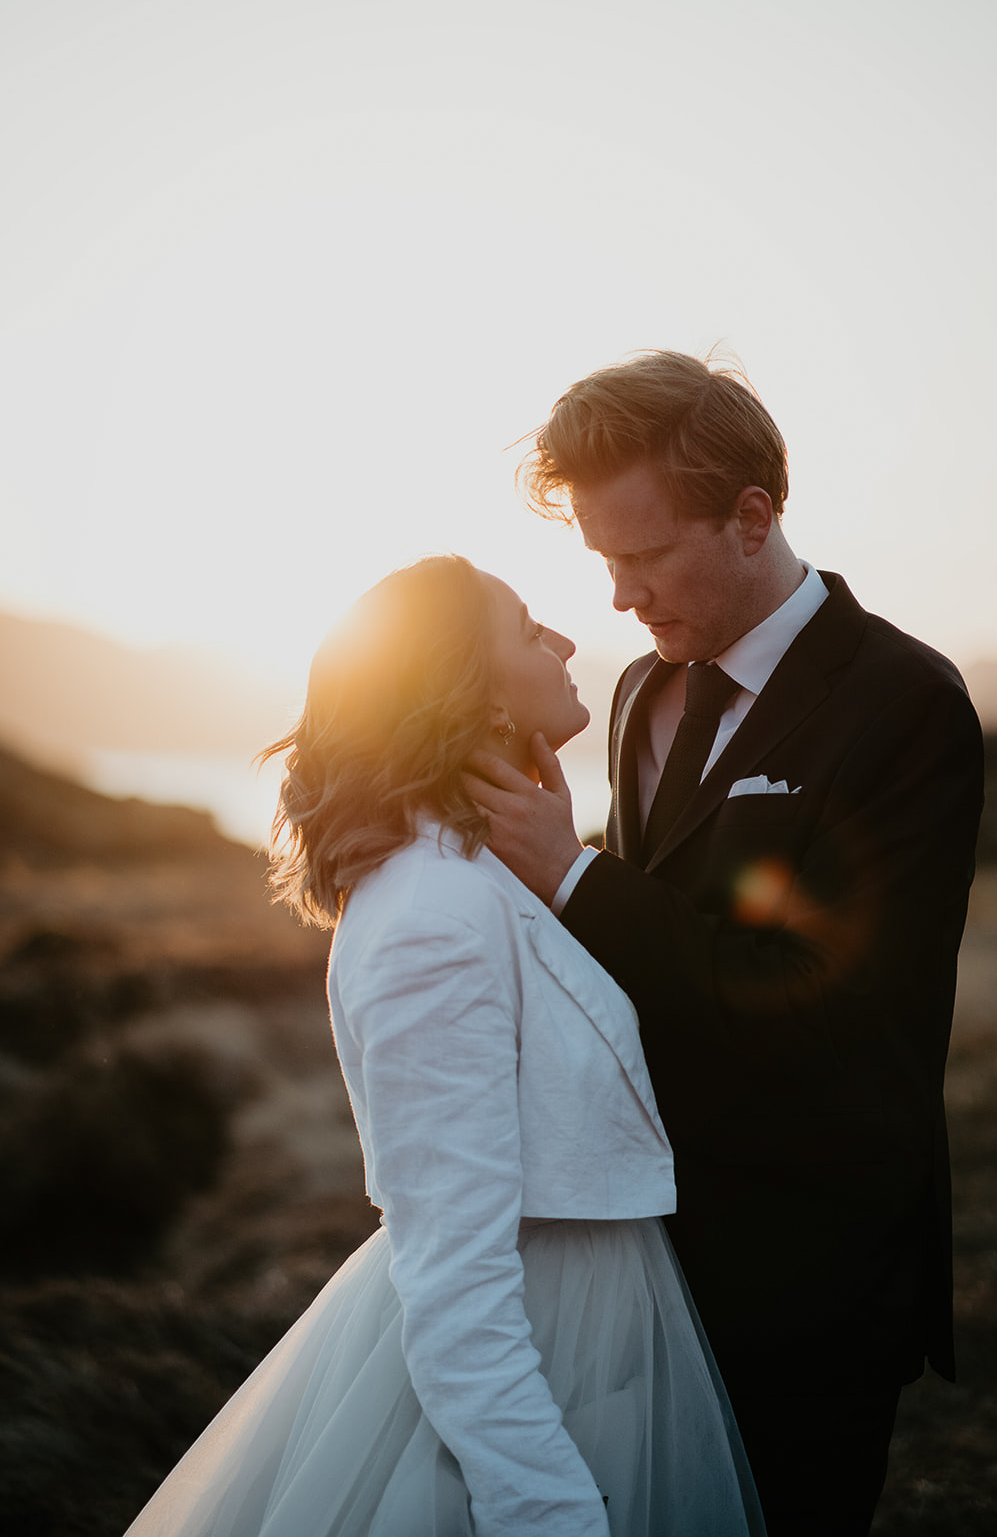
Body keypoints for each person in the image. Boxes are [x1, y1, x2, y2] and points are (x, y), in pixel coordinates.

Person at [122, 554, 765, 1537]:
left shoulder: (480, 876)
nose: (559, 639)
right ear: (469, 689)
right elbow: (455, 1277)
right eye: (523, 627)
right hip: (527, 1353)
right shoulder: (431, 914)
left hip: (585, 1336)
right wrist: (544, 1509)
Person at [465, 352, 985, 1537]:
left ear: (751, 518)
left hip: (814, 1265)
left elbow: (822, 1004)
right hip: (644, 1254)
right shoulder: (643, 695)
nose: (618, 597)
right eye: (602, 560)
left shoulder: (902, 704)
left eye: (644, 557)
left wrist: (574, 874)